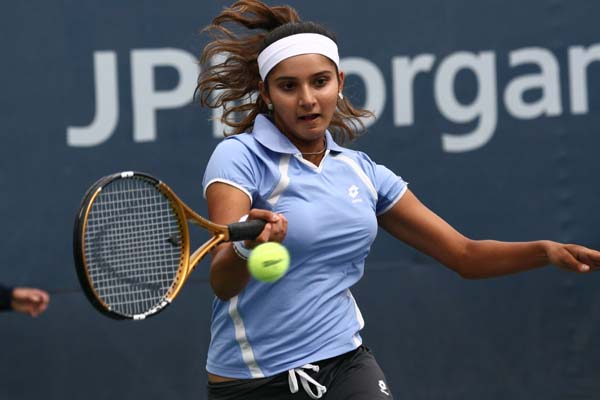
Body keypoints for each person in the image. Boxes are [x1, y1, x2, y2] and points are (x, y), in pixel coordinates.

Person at [196, 1, 600, 398]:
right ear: (266, 93)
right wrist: (248, 247)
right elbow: (223, 282)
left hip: (344, 361)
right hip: (255, 379)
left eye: (320, 82)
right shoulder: (239, 157)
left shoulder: (363, 172)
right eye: (289, 86)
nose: (307, 99)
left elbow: (465, 255)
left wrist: (545, 252)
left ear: (339, 81)